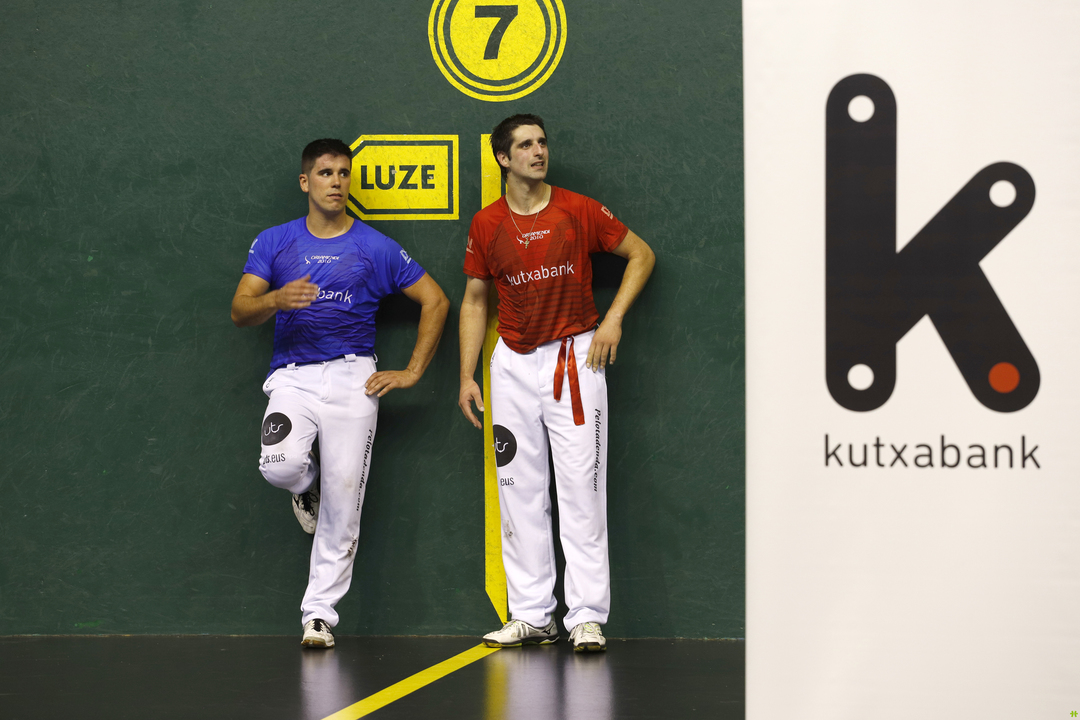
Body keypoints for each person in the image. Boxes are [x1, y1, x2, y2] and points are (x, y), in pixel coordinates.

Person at [231, 138, 449, 648]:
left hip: (355, 379)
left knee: (345, 499)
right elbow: (241, 310)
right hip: (293, 378)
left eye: (344, 173)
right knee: (279, 464)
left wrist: (412, 370)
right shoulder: (275, 242)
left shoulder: (375, 246)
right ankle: (306, 485)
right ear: (305, 181)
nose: (336, 182)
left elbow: (436, 300)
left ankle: (319, 615)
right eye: (326, 173)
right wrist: (276, 299)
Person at [458, 115, 655, 652]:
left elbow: (641, 255)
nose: (539, 151)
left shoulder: (579, 210)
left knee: (581, 493)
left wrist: (612, 320)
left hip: (575, 362)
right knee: (518, 493)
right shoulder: (487, 224)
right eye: (525, 145)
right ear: (504, 158)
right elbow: (474, 300)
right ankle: (532, 614)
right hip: (511, 367)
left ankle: (586, 616)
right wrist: (467, 374)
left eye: (542, 142)